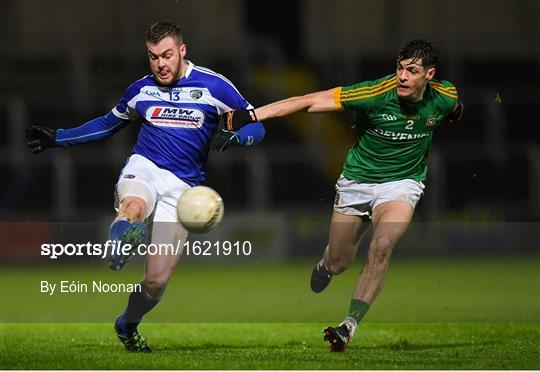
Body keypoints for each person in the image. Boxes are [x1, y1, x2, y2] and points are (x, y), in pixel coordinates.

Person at [25, 21, 265, 352]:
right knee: (134, 206)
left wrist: (239, 135)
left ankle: (127, 323)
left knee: (156, 281)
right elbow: (109, 124)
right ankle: (122, 239)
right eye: (153, 57)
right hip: (145, 169)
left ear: (182, 51)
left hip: (184, 189)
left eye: (167, 55)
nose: (160, 64)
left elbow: (257, 125)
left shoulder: (214, 86)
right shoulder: (141, 89)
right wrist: (60, 138)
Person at [212, 39, 463, 352]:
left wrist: (453, 115)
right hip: (358, 182)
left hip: (403, 184)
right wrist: (250, 116)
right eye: (400, 68)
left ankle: (349, 325)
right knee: (341, 260)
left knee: (382, 247)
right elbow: (308, 101)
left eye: (412, 71)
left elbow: (454, 109)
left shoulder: (445, 95)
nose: (402, 76)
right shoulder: (374, 93)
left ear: (430, 74)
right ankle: (326, 265)